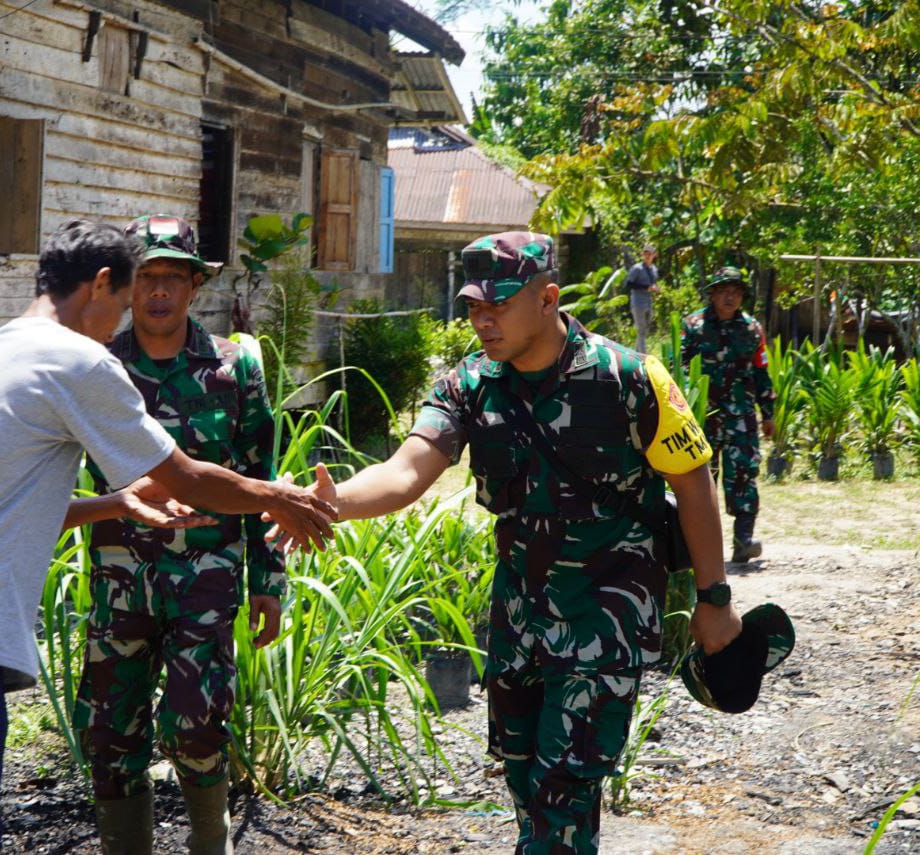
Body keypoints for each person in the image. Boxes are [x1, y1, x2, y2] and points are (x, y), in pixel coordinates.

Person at [0, 220, 334, 854]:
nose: (122, 320)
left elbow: (14, 500)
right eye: (125, 297)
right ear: (105, 284)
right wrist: (283, 497)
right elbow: (188, 476)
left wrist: (115, 503)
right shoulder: (79, 358)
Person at [284, 232, 742, 855]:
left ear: (549, 299)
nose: (482, 319)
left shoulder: (631, 378)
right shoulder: (469, 384)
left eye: (497, 305)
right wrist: (327, 501)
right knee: (526, 779)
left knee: (564, 788)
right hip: (520, 614)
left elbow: (692, 484)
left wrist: (715, 598)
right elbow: (405, 472)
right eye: (474, 306)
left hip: (606, 614)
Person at [63, 215, 281, 855]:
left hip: (205, 582)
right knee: (111, 735)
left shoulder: (233, 368)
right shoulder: (97, 368)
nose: (159, 292)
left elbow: (259, 477)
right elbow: (52, 474)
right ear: (128, 286)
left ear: (195, 286)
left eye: (173, 279)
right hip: (119, 582)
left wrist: (268, 580)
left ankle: (210, 845)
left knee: (196, 726)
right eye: (147, 277)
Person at [680, 266, 775, 564]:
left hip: (740, 418)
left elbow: (761, 371)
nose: (730, 296)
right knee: (698, 481)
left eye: (736, 292)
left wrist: (768, 413)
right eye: (724, 290)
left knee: (744, 476)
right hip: (701, 417)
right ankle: (694, 549)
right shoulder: (693, 327)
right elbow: (678, 369)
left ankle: (743, 541)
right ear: (712, 293)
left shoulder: (750, 329)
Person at [624, 244, 660, 353]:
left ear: (654, 255)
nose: (647, 256)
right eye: (645, 253)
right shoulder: (637, 268)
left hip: (648, 303)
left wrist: (656, 289)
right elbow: (628, 284)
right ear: (642, 255)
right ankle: (644, 358)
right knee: (641, 330)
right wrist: (646, 287)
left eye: (650, 254)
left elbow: (652, 284)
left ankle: (634, 353)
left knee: (644, 330)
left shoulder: (654, 269)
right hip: (638, 303)